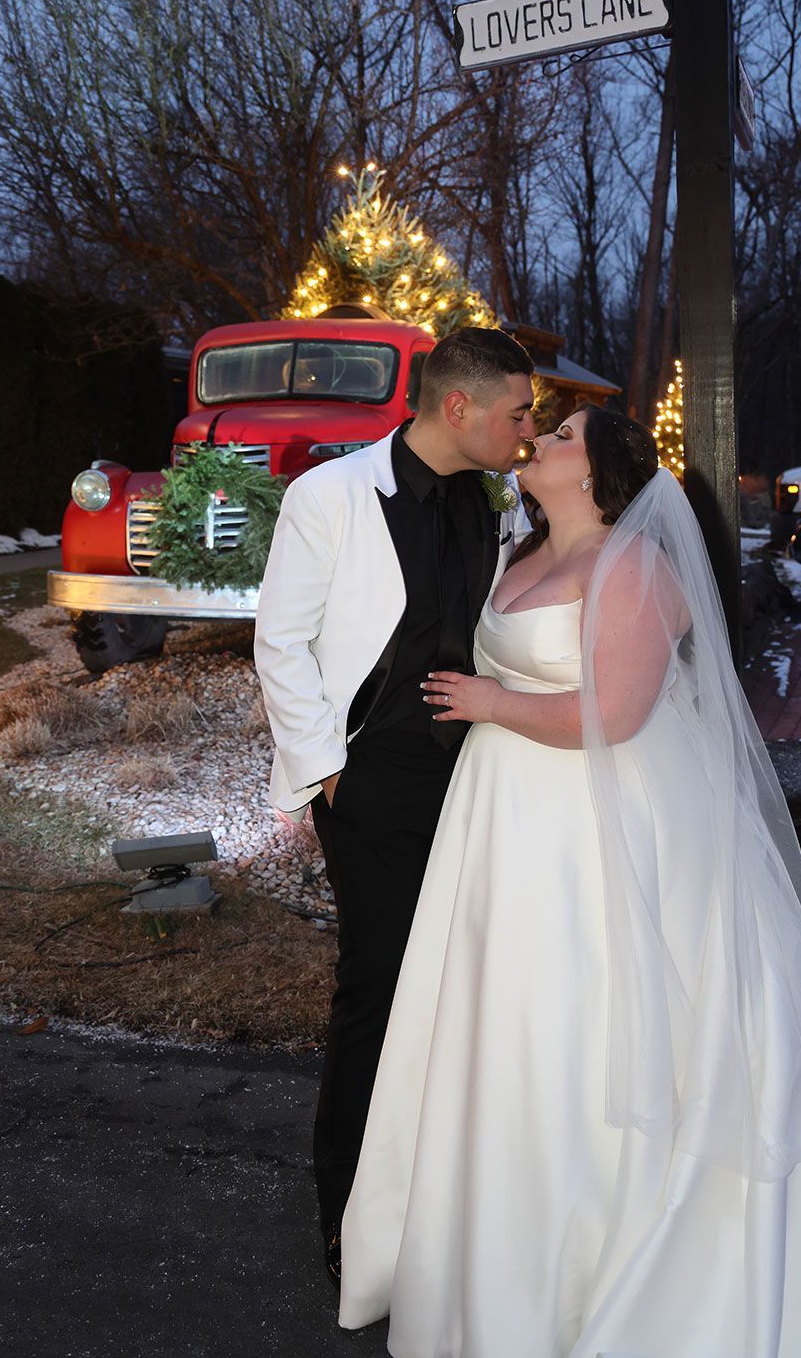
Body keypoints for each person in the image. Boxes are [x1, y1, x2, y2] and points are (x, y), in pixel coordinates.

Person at [339, 406, 801, 1357]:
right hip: (503, 817)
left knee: (590, 1007)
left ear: (597, 474)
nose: (541, 441)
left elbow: (621, 711)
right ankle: (490, 1252)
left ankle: (621, 1256)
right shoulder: (520, 552)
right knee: (501, 1015)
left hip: (598, 823)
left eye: (562, 436)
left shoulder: (632, 567)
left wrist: (491, 701)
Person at [253, 325, 536, 1288]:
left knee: (467, 985)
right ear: (459, 407)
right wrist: (327, 768)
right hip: (374, 777)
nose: (527, 430)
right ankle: (349, 1217)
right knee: (378, 985)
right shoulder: (331, 494)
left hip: (483, 773)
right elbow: (281, 642)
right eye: (518, 413)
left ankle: (443, 1194)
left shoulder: (498, 502)